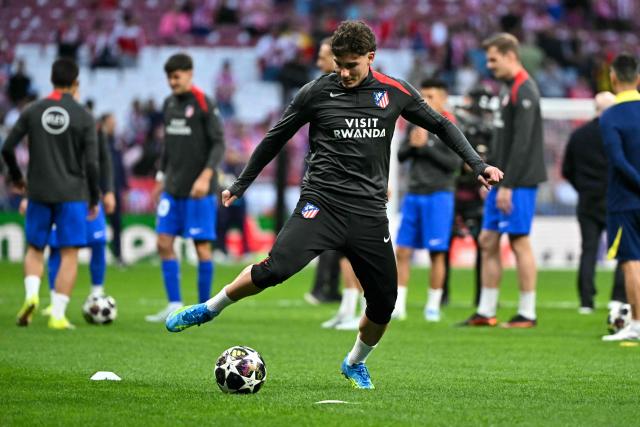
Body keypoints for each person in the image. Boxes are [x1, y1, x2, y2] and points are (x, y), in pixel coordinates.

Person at [164, 21, 502, 389]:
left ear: (371, 58)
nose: (342, 72)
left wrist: (478, 164)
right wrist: (241, 183)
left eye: (351, 65)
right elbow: (275, 138)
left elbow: (442, 125)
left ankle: (355, 362)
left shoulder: (394, 92)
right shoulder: (315, 92)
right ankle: (210, 309)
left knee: (384, 304)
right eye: (338, 64)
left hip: (369, 213)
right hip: (320, 204)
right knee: (273, 270)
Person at [1, 58, 99, 330]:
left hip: (39, 191)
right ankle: (57, 314)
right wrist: (94, 197)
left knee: (35, 248)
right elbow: (91, 163)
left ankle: (32, 294)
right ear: (76, 82)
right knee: (69, 254)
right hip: (72, 193)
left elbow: (7, 147)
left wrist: (18, 178)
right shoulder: (84, 116)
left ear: (51, 80)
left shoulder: (34, 110)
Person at [460, 33, 546, 328]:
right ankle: (486, 310)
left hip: (519, 181)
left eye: (494, 59)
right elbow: (502, 141)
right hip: (503, 180)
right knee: (487, 240)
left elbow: (522, 144)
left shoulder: (525, 90)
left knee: (519, 241)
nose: (490, 65)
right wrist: (488, 175)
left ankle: (528, 312)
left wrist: (508, 185)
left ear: (511, 56)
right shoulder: (507, 89)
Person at [145, 53, 225, 323]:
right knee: (163, 242)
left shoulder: (204, 103)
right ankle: (174, 303)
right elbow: (167, 145)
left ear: (189, 73)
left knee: (201, 248)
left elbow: (218, 144)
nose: (172, 81)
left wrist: (205, 177)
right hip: (174, 188)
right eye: (169, 76)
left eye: (176, 76)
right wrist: (160, 176)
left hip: (198, 190)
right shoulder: (168, 104)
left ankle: (205, 308)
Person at [393, 78, 461, 322]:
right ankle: (399, 305)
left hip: (439, 195)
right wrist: (413, 145)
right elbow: (401, 156)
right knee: (402, 251)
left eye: (431, 96)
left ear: (443, 99)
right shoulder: (415, 124)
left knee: (437, 252)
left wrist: (426, 148)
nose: (426, 101)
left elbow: (455, 165)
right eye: (423, 96)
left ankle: (432, 306)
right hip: (414, 194)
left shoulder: (450, 126)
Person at [44, 110, 117, 312]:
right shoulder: (55, 131)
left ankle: (96, 292)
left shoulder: (96, 130)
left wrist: (109, 190)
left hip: (89, 196)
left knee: (99, 242)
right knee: (57, 247)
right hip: (62, 198)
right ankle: (54, 300)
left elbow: (105, 161)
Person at [562, 91, 626, 314]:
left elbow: (566, 170)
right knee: (624, 251)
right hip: (615, 200)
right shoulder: (619, 133)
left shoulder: (579, 135)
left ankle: (586, 301)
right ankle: (618, 298)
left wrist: (583, 188)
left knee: (588, 250)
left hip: (588, 201)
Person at [443, 85, 494, 306]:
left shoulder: (493, 130)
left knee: (483, 246)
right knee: (443, 245)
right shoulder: (457, 125)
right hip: (454, 191)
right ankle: (441, 294)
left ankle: (482, 296)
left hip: (477, 195)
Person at [601, 53, 640, 341]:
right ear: (637, 79)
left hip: (625, 200)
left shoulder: (610, 115)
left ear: (613, 78)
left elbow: (617, 159)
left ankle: (637, 325)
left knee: (631, 262)